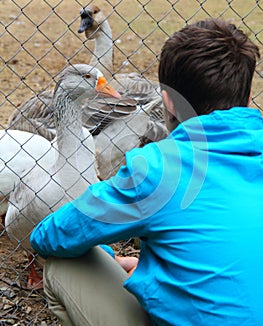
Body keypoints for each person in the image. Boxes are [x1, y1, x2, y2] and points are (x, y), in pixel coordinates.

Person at [30, 18, 262, 326]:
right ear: (247, 99)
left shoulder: (156, 168)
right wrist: (159, 268)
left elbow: (53, 235)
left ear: (167, 100)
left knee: (62, 264)